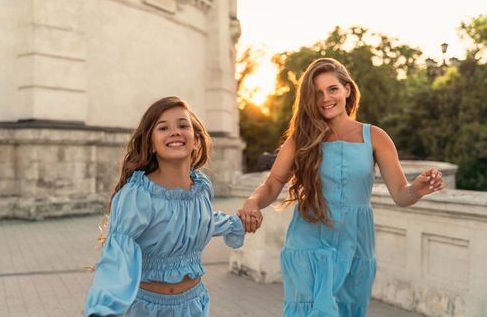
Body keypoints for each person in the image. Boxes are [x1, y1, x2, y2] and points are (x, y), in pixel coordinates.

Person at [238, 58, 444, 317]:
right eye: (317, 93)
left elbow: (402, 195)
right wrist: (253, 202)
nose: (326, 98)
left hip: (356, 243)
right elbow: (273, 182)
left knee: (348, 311)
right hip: (308, 241)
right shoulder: (301, 138)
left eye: (332, 89)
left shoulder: (376, 137)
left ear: (347, 89)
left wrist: (418, 188)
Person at [84, 96, 245, 317]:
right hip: (146, 309)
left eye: (182, 125)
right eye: (163, 128)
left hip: (194, 306)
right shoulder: (137, 194)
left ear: (196, 140)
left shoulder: (201, 187)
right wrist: (103, 309)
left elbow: (200, 220)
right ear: (150, 144)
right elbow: (116, 256)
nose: (175, 131)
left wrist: (236, 223)